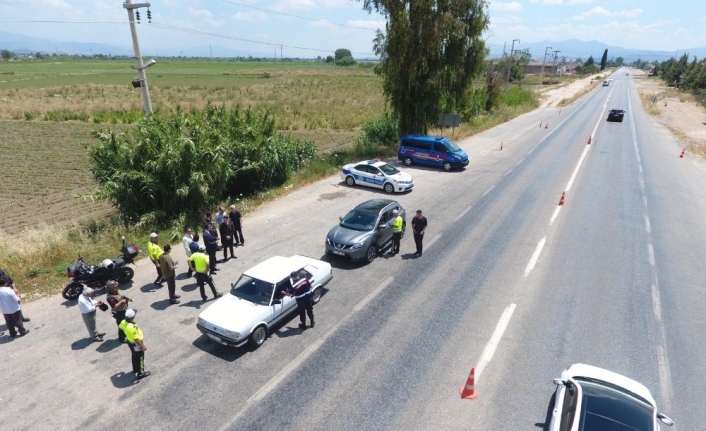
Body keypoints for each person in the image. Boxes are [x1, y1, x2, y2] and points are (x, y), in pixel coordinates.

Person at [119, 309, 150, 379]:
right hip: (136, 343)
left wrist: (126, 334)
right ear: (132, 317)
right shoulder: (131, 327)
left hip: (130, 342)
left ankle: (135, 369)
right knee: (140, 357)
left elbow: (120, 327)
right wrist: (142, 346)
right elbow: (136, 339)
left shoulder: (123, 322)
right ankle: (141, 373)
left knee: (134, 355)